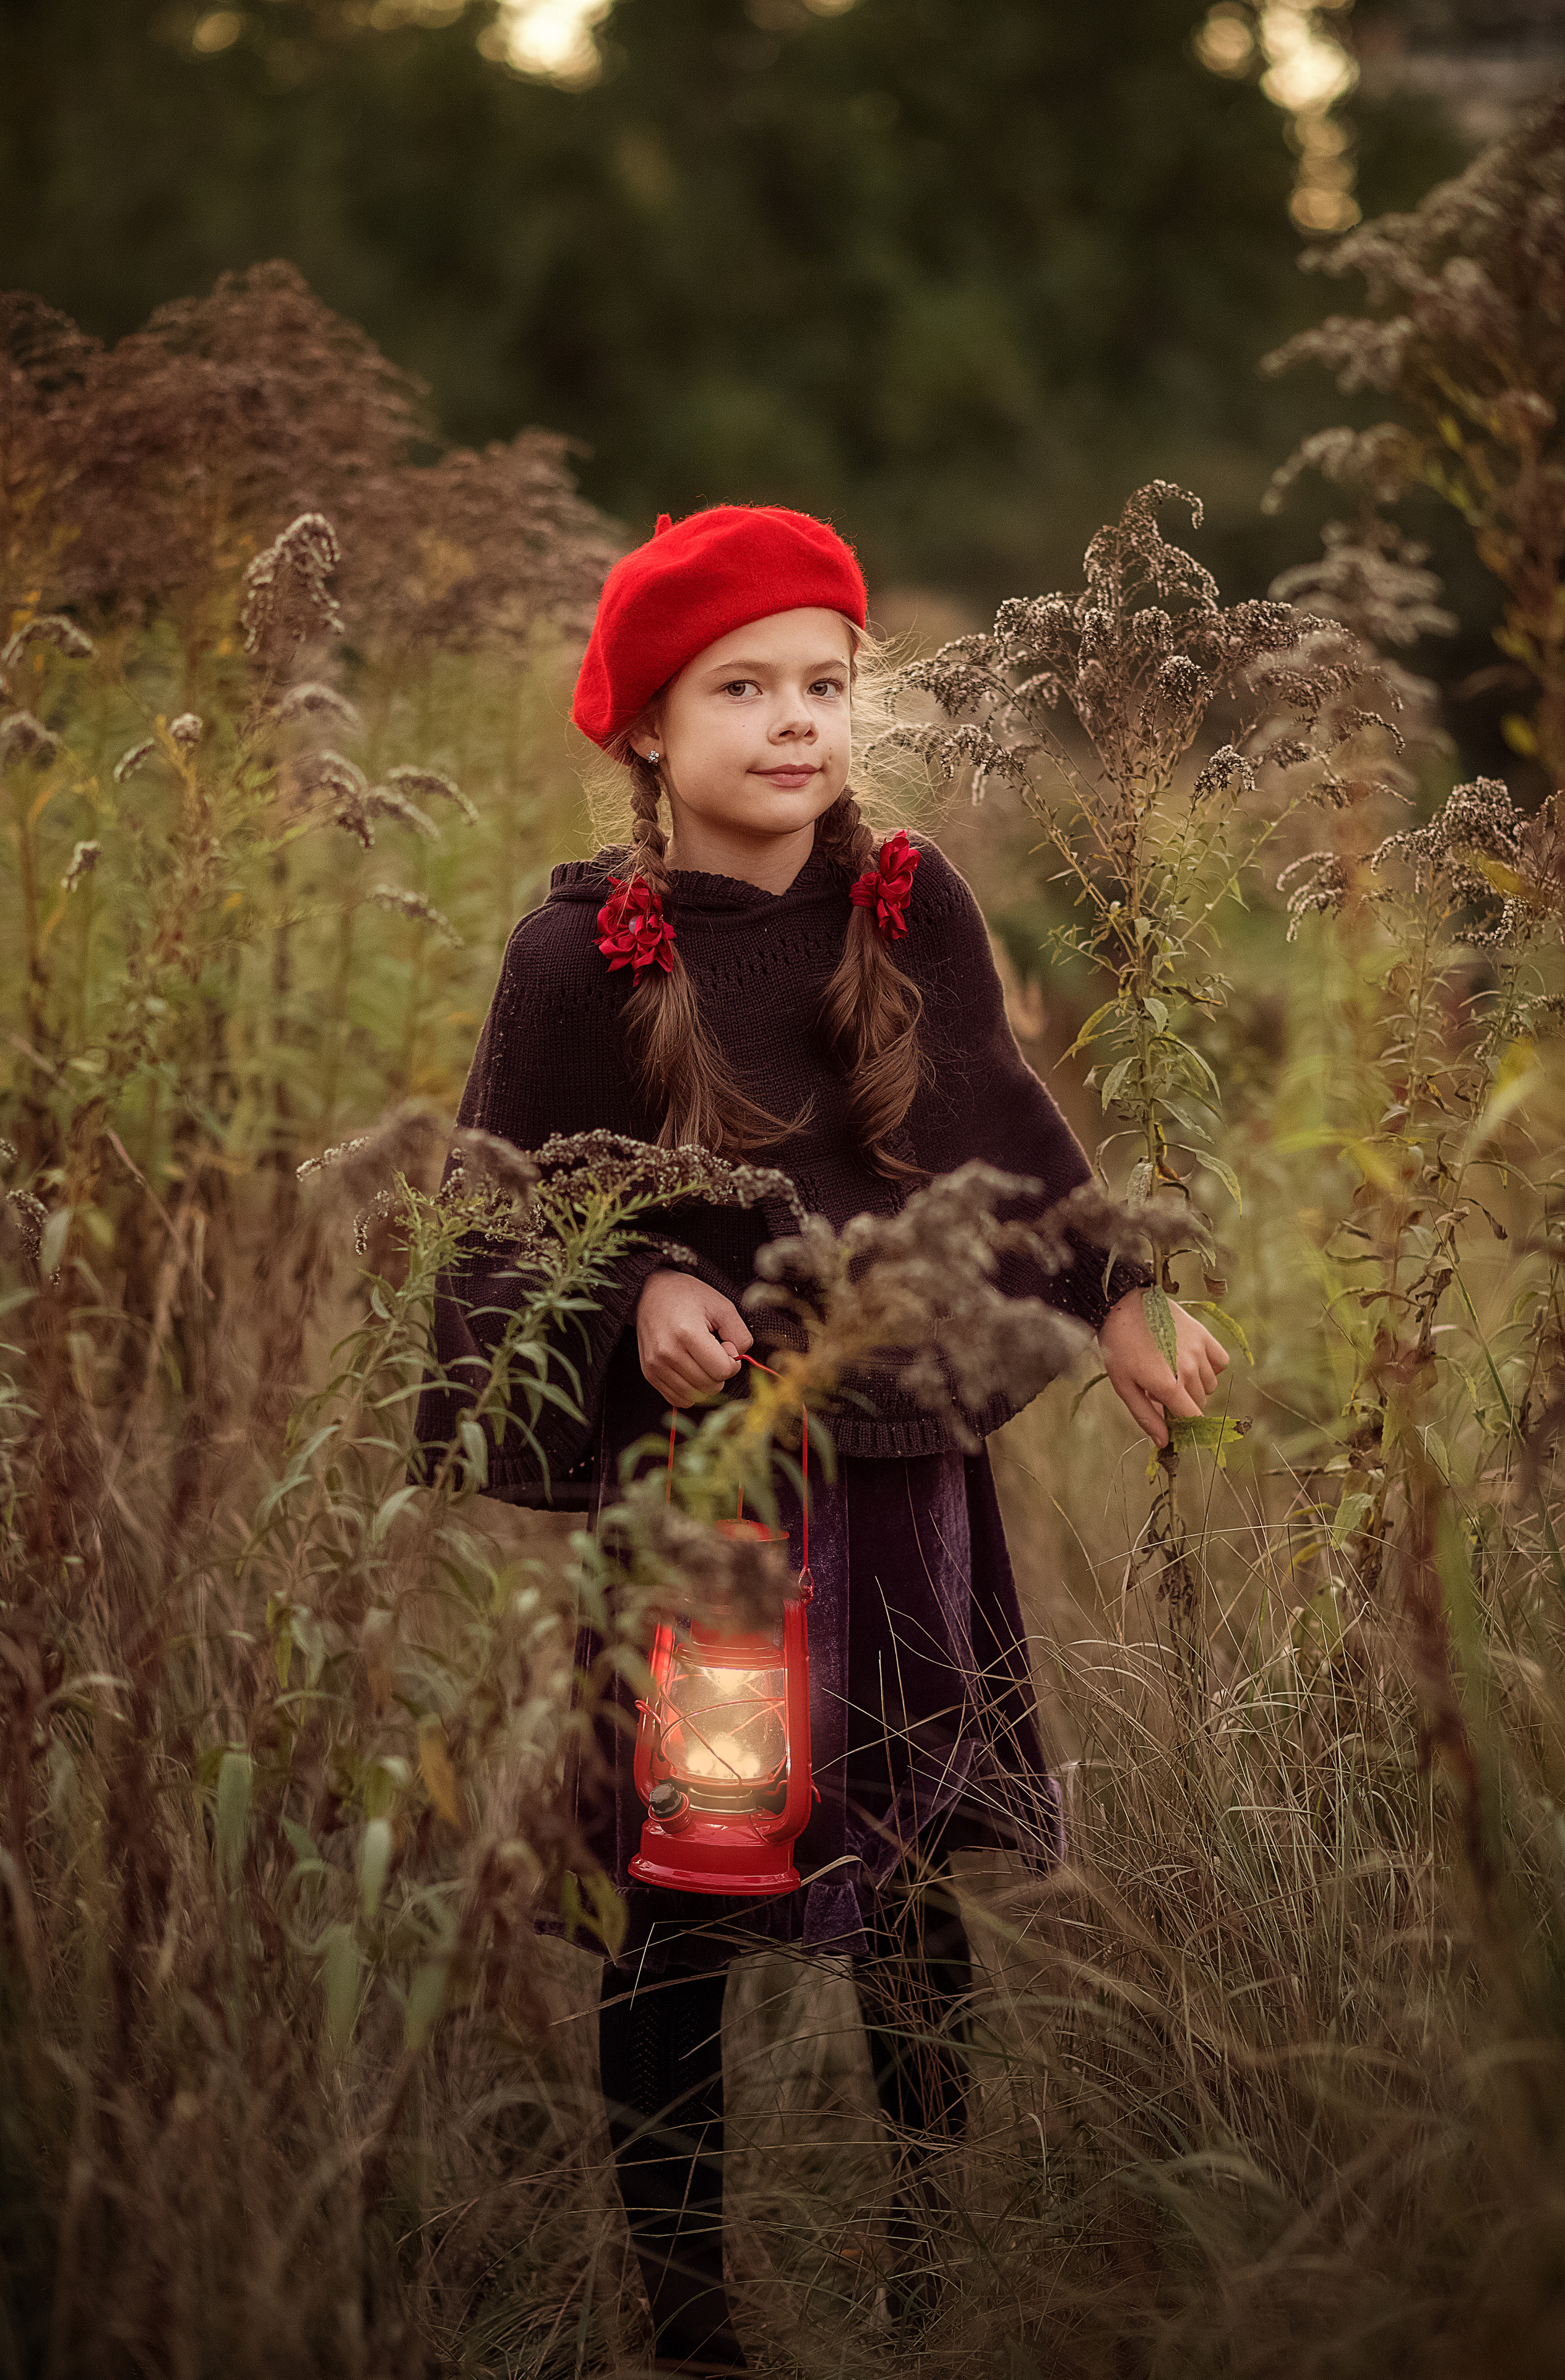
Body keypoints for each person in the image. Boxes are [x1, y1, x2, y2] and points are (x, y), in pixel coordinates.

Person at [417, 505, 1228, 2374]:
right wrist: (636, 1299)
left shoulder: (908, 906)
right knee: (690, 1901)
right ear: (645, 724)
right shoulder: (581, 956)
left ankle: (927, 2276)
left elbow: (1006, 1126)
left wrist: (1120, 1294)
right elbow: (506, 1215)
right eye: (743, 688)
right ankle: (692, 2320)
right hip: (720, 1523)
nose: (796, 721)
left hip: (907, 1486)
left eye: (826, 684)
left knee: (921, 1871)